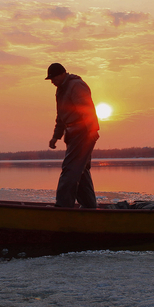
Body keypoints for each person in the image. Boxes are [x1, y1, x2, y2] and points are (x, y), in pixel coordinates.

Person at [46, 62, 100, 208]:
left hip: (83, 133)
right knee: (80, 171)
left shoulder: (76, 85)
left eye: (54, 78)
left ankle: (63, 207)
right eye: (50, 79)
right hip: (72, 134)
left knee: (70, 169)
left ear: (62, 74)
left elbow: (87, 108)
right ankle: (89, 206)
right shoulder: (61, 90)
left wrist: (93, 130)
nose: (52, 82)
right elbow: (61, 116)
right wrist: (56, 136)